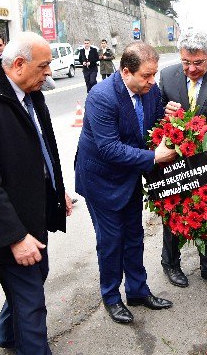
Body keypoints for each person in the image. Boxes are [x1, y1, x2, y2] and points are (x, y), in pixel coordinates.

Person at [0, 32, 72, 354]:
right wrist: (16, 237)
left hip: (31, 213)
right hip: (5, 226)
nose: (49, 73)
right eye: (44, 66)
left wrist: (58, 192)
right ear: (19, 64)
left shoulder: (31, 93)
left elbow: (45, 149)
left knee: (36, 275)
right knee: (31, 301)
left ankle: (7, 333)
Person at [75, 42, 176, 324]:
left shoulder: (150, 90)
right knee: (111, 242)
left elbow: (154, 124)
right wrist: (154, 157)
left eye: (154, 74)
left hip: (130, 175)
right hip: (102, 180)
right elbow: (109, 148)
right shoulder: (101, 97)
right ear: (126, 72)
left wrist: (168, 117)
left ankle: (137, 291)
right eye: (146, 75)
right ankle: (111, 297)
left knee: (134, 236)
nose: (152, 81)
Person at [159, 30, 207, 294]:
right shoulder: (168, 76)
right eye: (186, 63)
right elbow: (155, 116)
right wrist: (165, 114)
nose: (191, 69)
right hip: (174, 158)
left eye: (198, 63)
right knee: (172, 210)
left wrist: (202, 140)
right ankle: (170, 263)